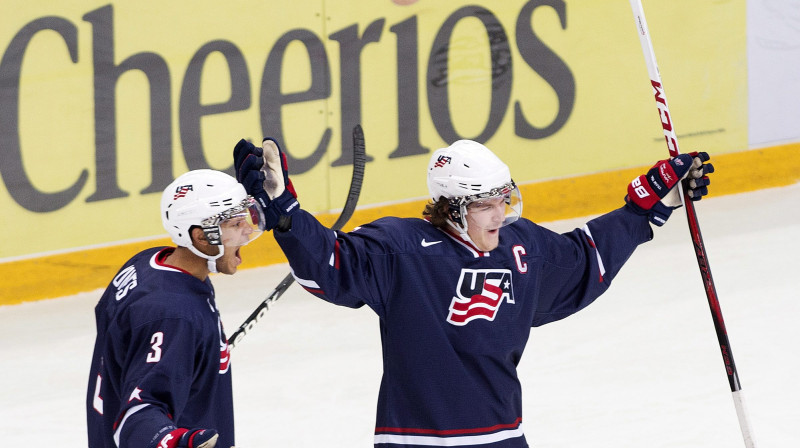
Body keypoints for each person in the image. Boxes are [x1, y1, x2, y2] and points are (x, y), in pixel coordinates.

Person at [232, 137, 713, 447]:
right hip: (414, 440)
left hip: (503, 437)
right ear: (452, 208)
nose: (500, 215)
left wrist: (648, 205)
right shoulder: (401, 250)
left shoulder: (520, 247)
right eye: (486, 205)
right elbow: (332, 263)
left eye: (505, 200)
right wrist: (286, 212)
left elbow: (584, 261)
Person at [86, 169, 266, 448]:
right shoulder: (173, 315)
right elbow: (137, 415)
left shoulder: (148, 264)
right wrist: (175, 442)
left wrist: (190, 355)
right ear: (202, 237)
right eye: (234, 224)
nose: (247, 230)